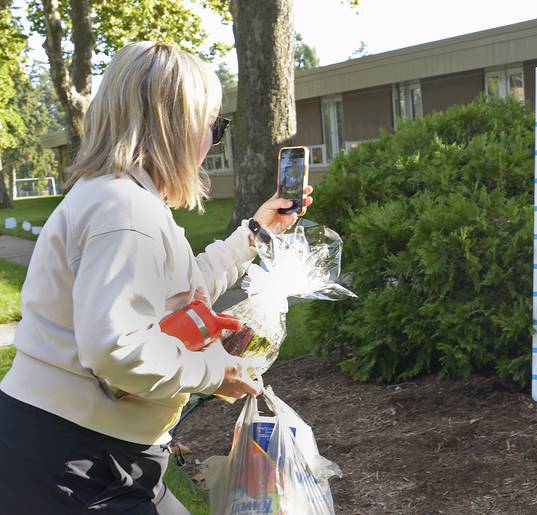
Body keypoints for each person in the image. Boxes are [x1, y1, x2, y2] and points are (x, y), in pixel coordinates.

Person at [0, 41, 313, 513]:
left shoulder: (120, 198)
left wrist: (254, 234)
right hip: (77, 459)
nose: (213, 142)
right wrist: (217, 372)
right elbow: (117, 349)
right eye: (215, 126)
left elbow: (177, 295)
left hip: (85, 444)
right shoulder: (125, 211)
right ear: (179, 126)